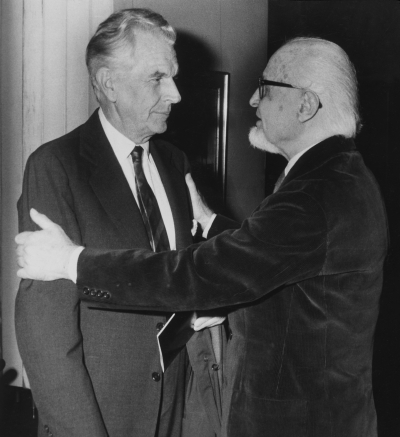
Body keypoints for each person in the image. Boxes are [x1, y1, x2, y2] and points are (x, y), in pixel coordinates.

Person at [16, 37, 388, 437]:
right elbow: (277, 256)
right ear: (109, 84)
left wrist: (72, 261)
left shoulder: (315, 194)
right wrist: (209, 221)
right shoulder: (341, 176)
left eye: (265, 89)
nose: (251, 102)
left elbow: (204, 272)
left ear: (306, 105)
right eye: (158, 77)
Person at [15, 8, 224, 437]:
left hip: (179, 410)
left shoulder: (174, 162)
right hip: (103, 417)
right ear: (109, 83)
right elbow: (46, 334)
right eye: (157, 78)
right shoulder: (56, 168)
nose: (176, 94)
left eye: (173, 76)